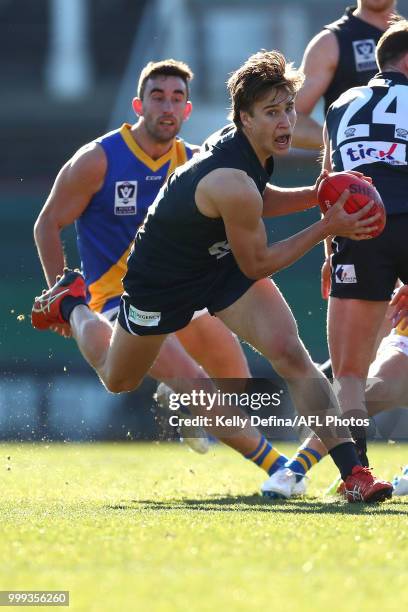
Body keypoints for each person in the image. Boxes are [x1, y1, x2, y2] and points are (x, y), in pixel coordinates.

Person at [32, 49, 393, 503]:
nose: (285, 123)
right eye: (272, 113)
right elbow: (258, 261)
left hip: (217, 263)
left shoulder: (249, 156)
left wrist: (318, 194)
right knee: (117, 377)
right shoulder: (228, 180)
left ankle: (354, 472)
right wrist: (327, 224)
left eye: (287, 110)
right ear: (244, 117)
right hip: (160, 281)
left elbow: (262, 198)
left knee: (291, 354)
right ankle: (72, 302)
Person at [265, 19, 408, 500]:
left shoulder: (342, 105)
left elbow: (330, 186)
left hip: (357, 230)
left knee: (348, 374)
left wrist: (331, 253)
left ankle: (359, 478)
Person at [293, 0, 399, 149]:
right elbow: (289, 119)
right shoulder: (329, 42)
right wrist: (341, 141)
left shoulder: (404, 36)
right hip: (354, 168)